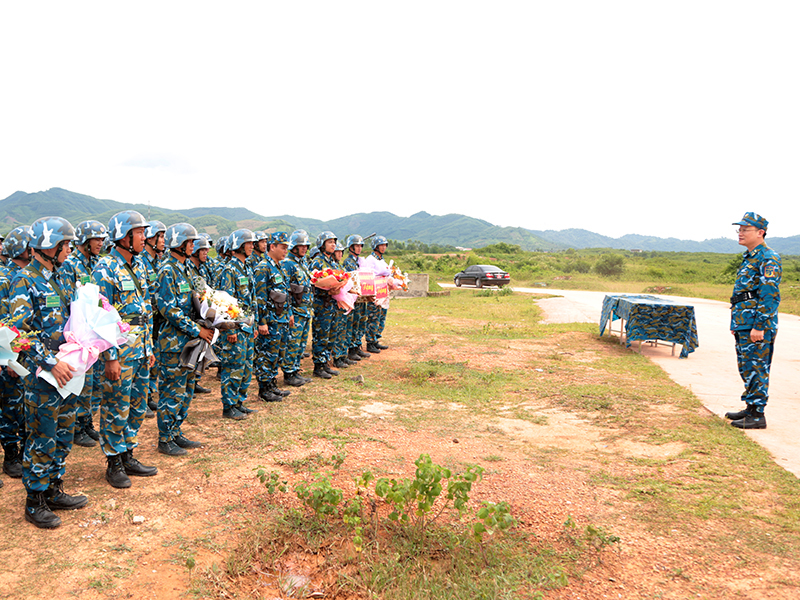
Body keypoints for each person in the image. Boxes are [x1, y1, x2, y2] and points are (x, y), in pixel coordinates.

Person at [10, 217, 86, 528]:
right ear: (49, 247)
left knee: (64, 433)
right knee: (42, 437)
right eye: (65, 244)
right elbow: (18, 333)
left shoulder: (64, 275)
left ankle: (55, 489)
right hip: (44, 376)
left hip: (70, 370)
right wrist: (50, 362)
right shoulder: (23, 280)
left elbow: (78, 315)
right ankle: (35, 500)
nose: (69, 249)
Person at [93, 211, 158, 487]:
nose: (146, 237)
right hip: (119, 352)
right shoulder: (105, 268)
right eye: (141, 232)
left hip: (141, 348)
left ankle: (128, 453)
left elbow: (146, 310)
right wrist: (111, 358)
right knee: (115, 406)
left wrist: (150, 347)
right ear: (125, 236)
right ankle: (114, 461)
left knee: (137, 404)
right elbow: (100, 316)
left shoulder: (140, 265)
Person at [155, 223, 215, 456]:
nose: (194, 245)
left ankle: (176, 431)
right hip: (174, 342)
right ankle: (165, 438)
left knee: (187, 388)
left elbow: (202, 295)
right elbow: (168, 310)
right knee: (172, 390)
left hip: (190, 341)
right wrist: (197, 330)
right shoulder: (167, 271)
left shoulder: (188, 269)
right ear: (178, 244)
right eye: (190, 242)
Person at [725, 212, 781, 430]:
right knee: (747, 366)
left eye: (744, 229)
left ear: (760, 233)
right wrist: (737, 324)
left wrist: (759, 325)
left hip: (756, 325)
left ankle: (758, 415)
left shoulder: (768, 257)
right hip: (744, 322)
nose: (740, 233)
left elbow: (769, 295)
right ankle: (750, 407)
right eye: (739, 229)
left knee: (757, 367)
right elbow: (745, 294)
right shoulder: (750, 257)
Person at [60, 220, 108, 447]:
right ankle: (77, 425)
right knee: (81, 380)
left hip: (95, 330)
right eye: (96, 239)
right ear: (85, 241)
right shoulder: (70, 265)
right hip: (78, 332)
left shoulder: (97, 263)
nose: (100, 243)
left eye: (102, 239)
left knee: (95, 382)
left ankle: (87, 421)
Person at [0, 226, 34, 482]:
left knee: (23, 404)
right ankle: (11, 454)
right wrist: (10, 356)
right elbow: (6, 322)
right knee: (10, 406)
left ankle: (23, 450)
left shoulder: (29, 276)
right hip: (9, 354)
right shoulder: (5, 279)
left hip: (28, 352)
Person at [216, 228, 259, 418]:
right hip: (235, 329)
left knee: (245, 367)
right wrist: (230, 329)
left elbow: (251, 300)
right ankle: (229, 406)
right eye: (248, 243)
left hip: (247, 327)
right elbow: (225, 302)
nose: (252, 246)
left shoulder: (246, 267)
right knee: (233, 367)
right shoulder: (229, 270)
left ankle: (239, 401)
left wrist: (254, 324)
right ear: (238, 245)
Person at [253, 232, 294, 400]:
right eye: (283, 247)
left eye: (287, 248)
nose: (285, 251)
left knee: (277, 354)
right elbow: (259, 298)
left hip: (281, 319)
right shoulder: (263, 267)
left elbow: (285, 293)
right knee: (266, 355)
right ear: (272, 247)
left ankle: (272, 384)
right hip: (270, 321)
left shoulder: (279, 267)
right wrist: (261, 322)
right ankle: (264, 389)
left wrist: (289, 313)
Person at [282, 230, 313, 387]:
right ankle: (288, 374)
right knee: (292, 343)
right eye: (301, 246)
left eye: (306, 246)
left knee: (300, 344)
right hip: (295, 310)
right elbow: (285, 290)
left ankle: (295, 370)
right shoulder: (288, 264)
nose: (304, 248)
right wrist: (289, 312)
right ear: (293, 247)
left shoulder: (302, 263)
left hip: (305, 310)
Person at [310, 232, 340, 379]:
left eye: (334, 242)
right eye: (330, 242)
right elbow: (312, 283)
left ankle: (326, 363)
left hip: (333, 304)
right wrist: (325, 289)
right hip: (322, 304)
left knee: (331, 335)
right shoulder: (317, 262)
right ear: (322, 245)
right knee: (321, 335)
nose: (333, 245)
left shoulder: (333, 263)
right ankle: (318, 366)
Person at [342, 235, 370, 364]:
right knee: (352, 323)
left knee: (361, 321)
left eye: (360, 246)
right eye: (356, 246)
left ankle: (357, 345)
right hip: (353, 297)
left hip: (362, 296)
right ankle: (351, 348)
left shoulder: (360, 261)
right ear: (351, 247)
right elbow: (352, 280)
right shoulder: (348, 262)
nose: (359, 248)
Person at [365, 235, 390, 354]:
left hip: (383, 292)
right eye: (381, 245)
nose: (383, 247)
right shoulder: (371, 259)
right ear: (375, 246)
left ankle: (375, 339)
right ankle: (370, 342)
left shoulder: (382, 259)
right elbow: (368, 275)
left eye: (385, 245)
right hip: (374, 292)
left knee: (381, 316)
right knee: (373, 316)